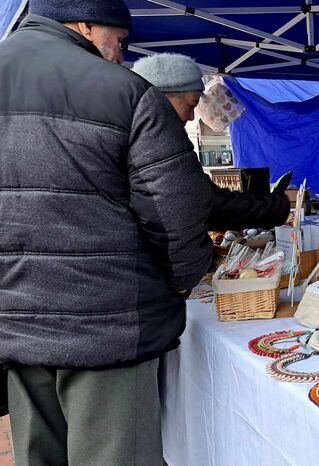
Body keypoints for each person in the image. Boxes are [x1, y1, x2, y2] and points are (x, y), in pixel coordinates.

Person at [0, 1, 215, 464]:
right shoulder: (127, 92)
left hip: (16, 319)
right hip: (108, 323)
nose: (118, 55)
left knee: (38, 454)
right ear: (85, 24)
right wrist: (185, 277)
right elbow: (174, 207)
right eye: (117, 42)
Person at [132, 53, 290, 231]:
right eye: (191, 105)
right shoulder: (159, 146)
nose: (191, 117)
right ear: (161, 99)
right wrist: (274, 206)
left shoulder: (134, 137)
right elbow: (207, 204)